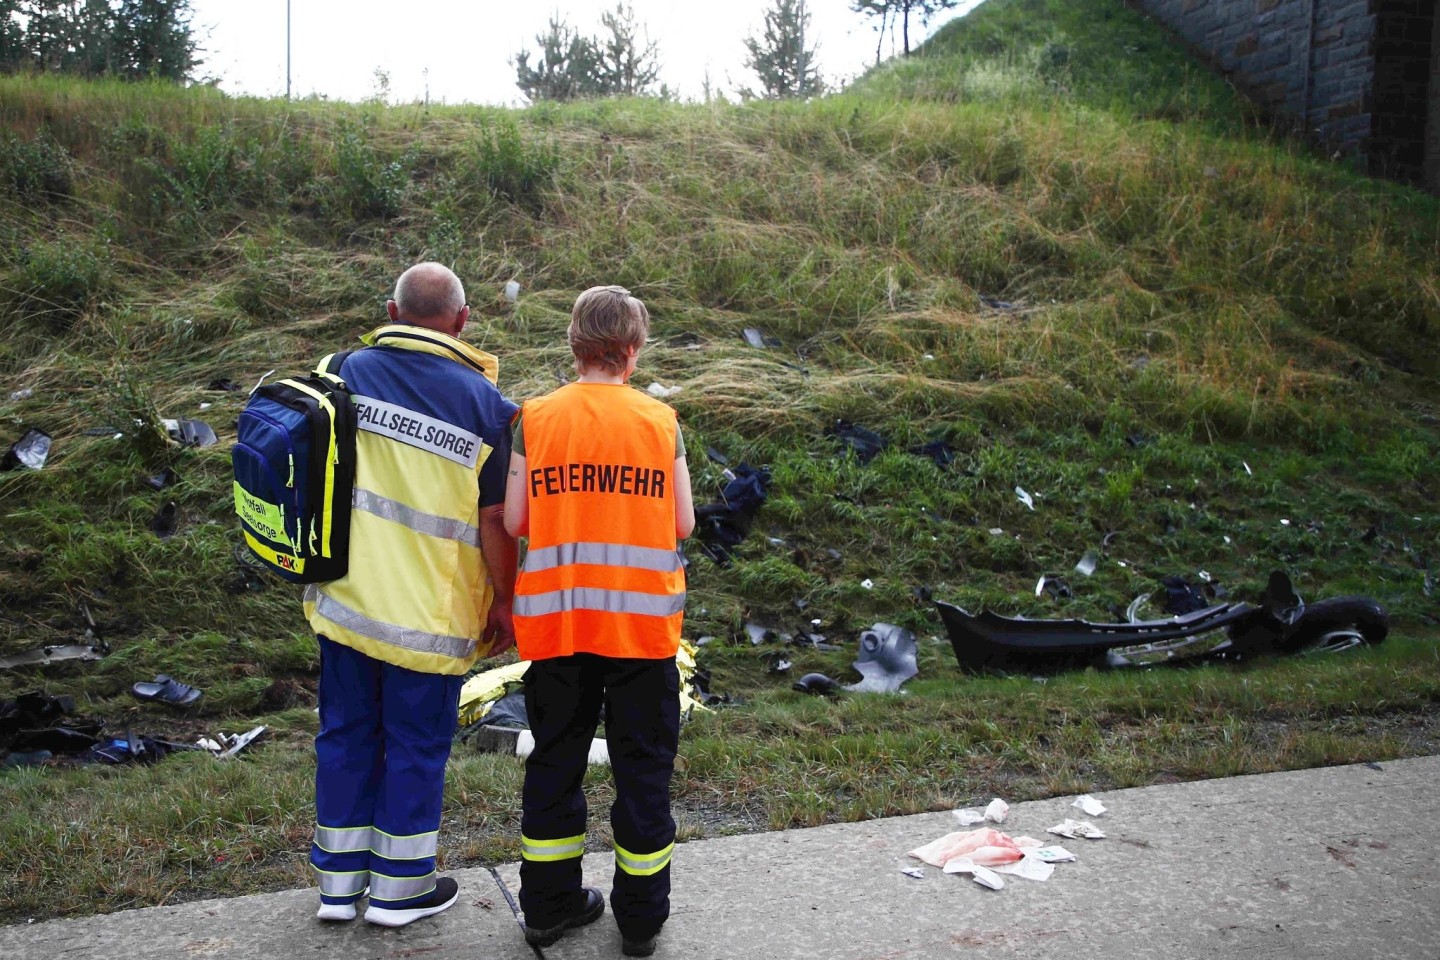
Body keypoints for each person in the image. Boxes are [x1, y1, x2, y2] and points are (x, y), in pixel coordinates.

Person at [306, 262, 519, 928]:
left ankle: (337, 890)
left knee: (343, 735)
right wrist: (506, 603)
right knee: (416, 748)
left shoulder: (341, 367)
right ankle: (399, 892)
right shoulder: (492, 412)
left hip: (345, 603)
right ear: (461, 321)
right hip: (429, 619)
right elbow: (494, 523)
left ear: (392, 313)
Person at [504, 285, 695, 958]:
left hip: (559, 628)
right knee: (644, 772)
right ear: (633, 350)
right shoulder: (660, 422)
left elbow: (516, 521)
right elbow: (684, 523)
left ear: (574, 344)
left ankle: (547, 907)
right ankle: (641, 920)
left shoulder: (536, 416)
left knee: (555, 763)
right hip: (641, 636)